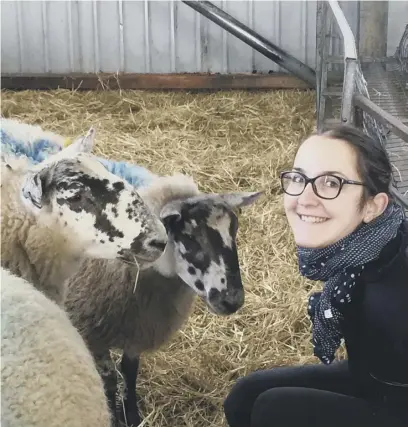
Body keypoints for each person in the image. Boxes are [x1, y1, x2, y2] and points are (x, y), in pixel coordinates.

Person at [223, 125, 408, 427]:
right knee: (245, 396)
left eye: (330, 182)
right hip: (375, 378)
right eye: (298, 178)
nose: (305, 198)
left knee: (273, 411)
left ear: (374, 206)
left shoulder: (395, 292)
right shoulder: (366, 250)